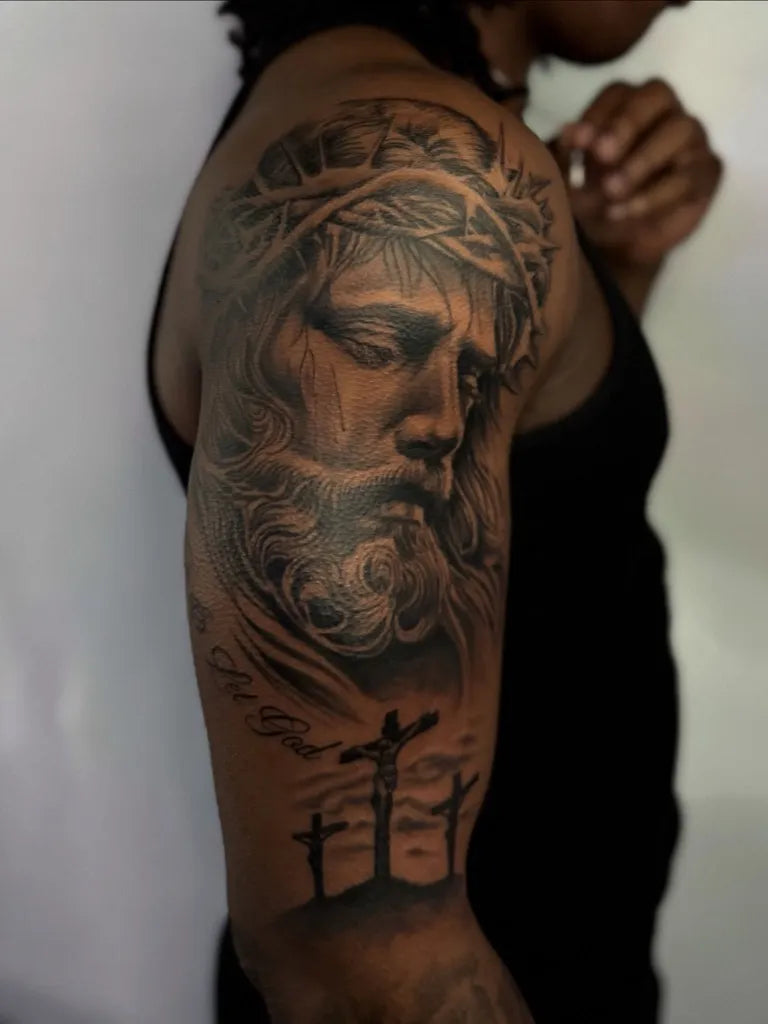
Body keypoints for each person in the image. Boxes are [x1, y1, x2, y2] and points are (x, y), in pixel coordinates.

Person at [146, 2, 722, 1021]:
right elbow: (362, 964)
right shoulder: (407, 172)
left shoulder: (409, 145)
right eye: (382, 345)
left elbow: (519, 521)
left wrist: (607, 268)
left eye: (473, 372)